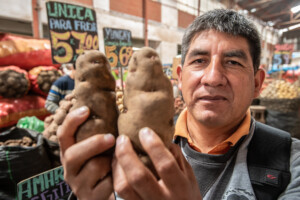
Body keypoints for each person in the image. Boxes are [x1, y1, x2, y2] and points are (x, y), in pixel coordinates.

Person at [57, 9, 300, 200]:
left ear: (257, 83)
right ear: (179, 78)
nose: (213, 78)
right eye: (199, 60)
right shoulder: (124, 149)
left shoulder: (291, 163)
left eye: (233, 62)